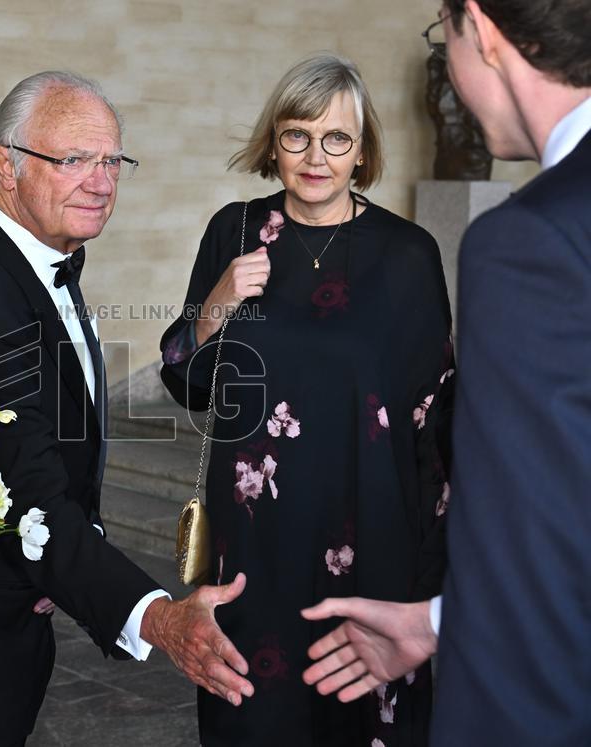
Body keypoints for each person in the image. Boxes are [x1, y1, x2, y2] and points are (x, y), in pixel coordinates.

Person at [0, 70, 253, 747]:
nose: (101, 182)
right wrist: (159, 618)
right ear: (7, 166)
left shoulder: (33, 263)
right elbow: (32, 496)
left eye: (112, 161)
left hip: (13, 626)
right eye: (75, 159)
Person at [302, 2, 591, 744]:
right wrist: (440, 619)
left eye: (443, 34)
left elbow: (538, 543)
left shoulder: (532, 241)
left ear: (483, 31)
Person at [159, 53, 455, 745]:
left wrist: (432, 584)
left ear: (363, 151)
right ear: (274, 142)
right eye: (298, 135)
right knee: (254, 718)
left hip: (372, 548)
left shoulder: (408, 255)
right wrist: (216, 305)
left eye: (336, 138)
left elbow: (436, 423)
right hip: (253, 550)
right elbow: (187, 381)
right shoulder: (234, 231)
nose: (316, 156)